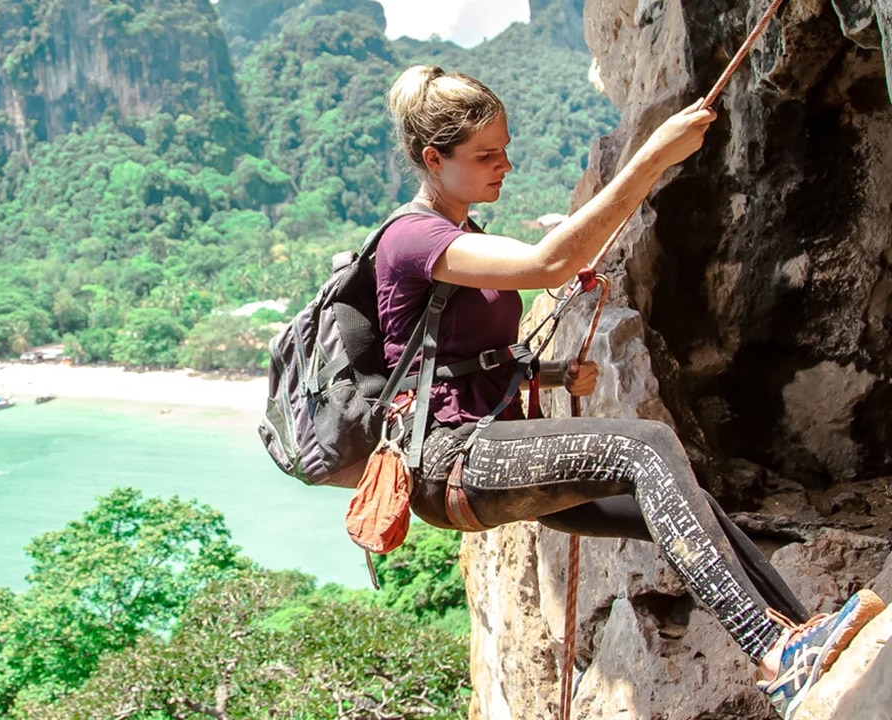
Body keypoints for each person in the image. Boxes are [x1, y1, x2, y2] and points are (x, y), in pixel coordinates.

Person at [378, 65, 883, 719]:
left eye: (504, 148)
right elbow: (544, 264)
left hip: (483, 455)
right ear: (433, 159)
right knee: (645, 447)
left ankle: (794, 636)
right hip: (448, 462)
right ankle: (772, 652)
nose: (503, 164)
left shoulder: (466, 238)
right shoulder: (412, 237)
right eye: (485, 155)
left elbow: (465, 360)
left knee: (683, 501)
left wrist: (554, 375)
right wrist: (652, 158)